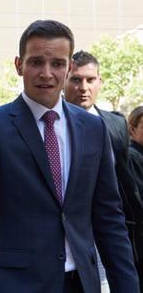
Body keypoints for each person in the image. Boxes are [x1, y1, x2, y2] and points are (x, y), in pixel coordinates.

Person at [0, 20, 138, 292]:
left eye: (58, 64)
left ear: (69, 67)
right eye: (36, 62)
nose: (46, 73)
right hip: (14, 283)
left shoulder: (93, 128)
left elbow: (109, 217)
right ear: (19, 65)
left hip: (81, 283)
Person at [64, 50, 143, 291]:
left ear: (100, 82)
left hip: (110, 226)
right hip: (70, 233)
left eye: (90, 79)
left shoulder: (115, 123)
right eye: (76, 79)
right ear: (65, 79)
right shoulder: (50, 123)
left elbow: (125, 179)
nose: (83, 87)